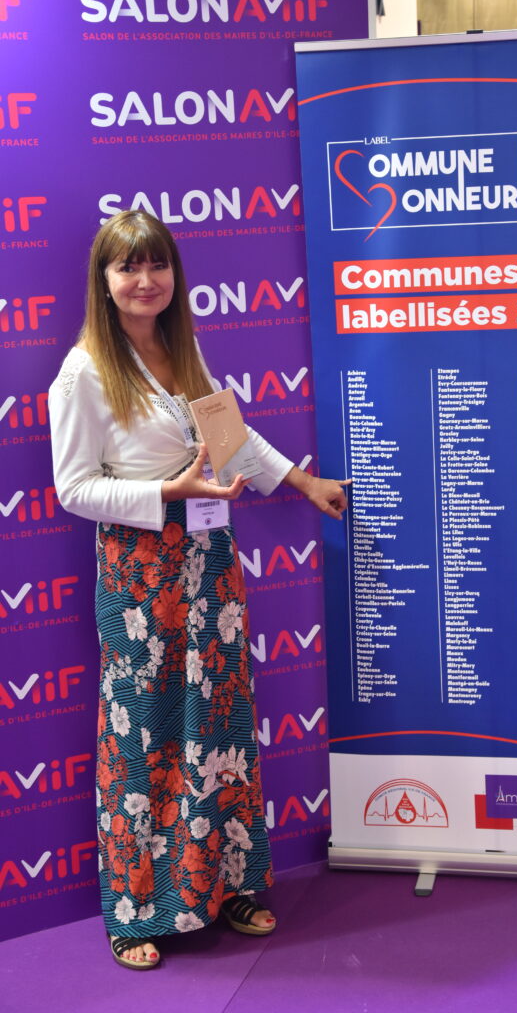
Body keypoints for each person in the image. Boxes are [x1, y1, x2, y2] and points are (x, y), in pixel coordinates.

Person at [48, 210, 350, 971]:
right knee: (143, 736)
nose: (144, 280)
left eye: (156, 265)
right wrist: (165, 491)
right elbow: (72, 488)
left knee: (218, 730)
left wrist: (303, 482)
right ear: (105, 281)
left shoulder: (185, 350)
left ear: (173, 276)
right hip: (139, 573)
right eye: (127, 267)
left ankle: (227, 888)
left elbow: (230, 439)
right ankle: (134, 908)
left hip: (209, 563)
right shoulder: (84, 370)